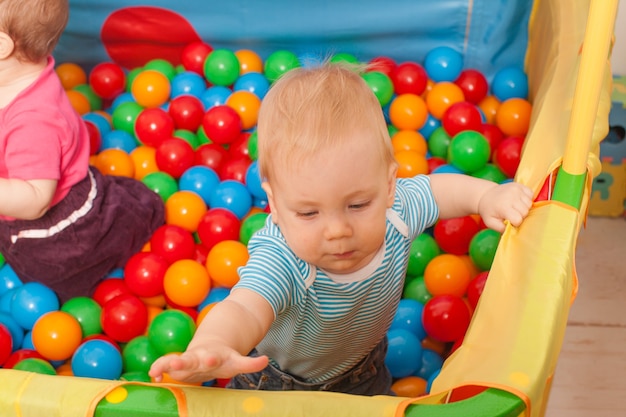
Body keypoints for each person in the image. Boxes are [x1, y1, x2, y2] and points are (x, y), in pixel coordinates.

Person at [149, 62, 533, 395]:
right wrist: (213, 343)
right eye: (308, 213)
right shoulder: (285, 256)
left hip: (364, 368)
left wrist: (487, 198)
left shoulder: (397, 209)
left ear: (387, 186)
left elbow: (440, 188)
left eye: (357, 205)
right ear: (275, 204)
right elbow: (245, 307)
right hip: (277, 382)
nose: (336, 230)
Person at [0, 0, 164, 303]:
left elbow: (35, 200)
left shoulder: (34, 120)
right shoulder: (15, 74)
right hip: (18, 198)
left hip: (55, 226)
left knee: (59, 272)